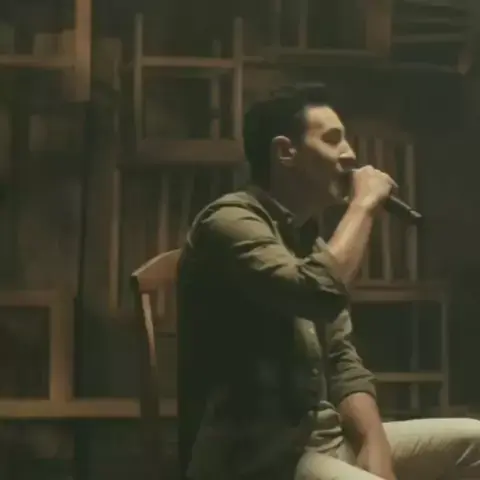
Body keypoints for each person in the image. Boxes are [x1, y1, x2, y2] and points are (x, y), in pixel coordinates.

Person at [176, 83, 480, 480]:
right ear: (285, 152)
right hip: (259, 459)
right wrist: (364, 204)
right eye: (333, 140)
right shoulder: (228, 222)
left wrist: (374, 444)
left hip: (326, 441)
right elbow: (315, 292)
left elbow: (341, 360)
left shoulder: (310, 243)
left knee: (476, 441)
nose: (350, 154)